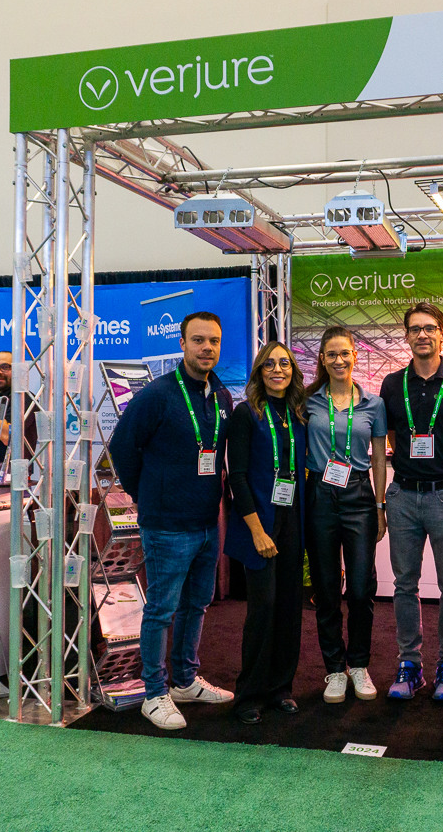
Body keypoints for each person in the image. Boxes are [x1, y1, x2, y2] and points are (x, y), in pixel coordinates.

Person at [109, 311, 236, 730]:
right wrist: (146, 494)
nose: (207, 348)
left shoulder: (221, 396)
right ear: (182, 344)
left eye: (213, 341)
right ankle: (154, 693)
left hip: (207, 521)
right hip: (166, 524)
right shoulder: (157, 394)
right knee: (161, 610)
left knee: (196, 605)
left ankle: (184, 681)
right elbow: (122, 448)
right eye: (198, 340)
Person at [378, 303, 443, 702]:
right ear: (406, 336)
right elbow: (391, 438)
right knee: (405, 584)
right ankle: (410, 664)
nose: (422, 334)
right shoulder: (392, 384)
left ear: (442, 334)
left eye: (430, 328)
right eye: (415, 328)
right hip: (403, 496)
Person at [223, 342, 308, 724]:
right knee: (263, 609)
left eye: (284, 363)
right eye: (270, 364)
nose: (278, 369)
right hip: (259, 523)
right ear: (259, 371)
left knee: (290, 607)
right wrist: (257, 531)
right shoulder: (246, 414)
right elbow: (237, 477)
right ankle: (249, 695)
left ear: (293, 371)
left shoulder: (297, 414)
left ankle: (280, 689)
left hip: (292, 521)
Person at [304, 326, 388, 704]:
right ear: (322, 359)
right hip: (320, 495)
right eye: (331, 354)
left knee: (359, 587)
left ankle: (359, 664)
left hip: (359, 496)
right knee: (325, 588)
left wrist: (380, 506)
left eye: (345, 353)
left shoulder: (373, 403)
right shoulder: (307, 402)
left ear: (355, 356)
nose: (339, 360)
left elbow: (379, 459)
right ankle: (335, 669)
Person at [0, 350, 37, 466]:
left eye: (5, 367)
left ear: (18, 371)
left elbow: (6, 436)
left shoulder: (25, 399)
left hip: (12, 474)